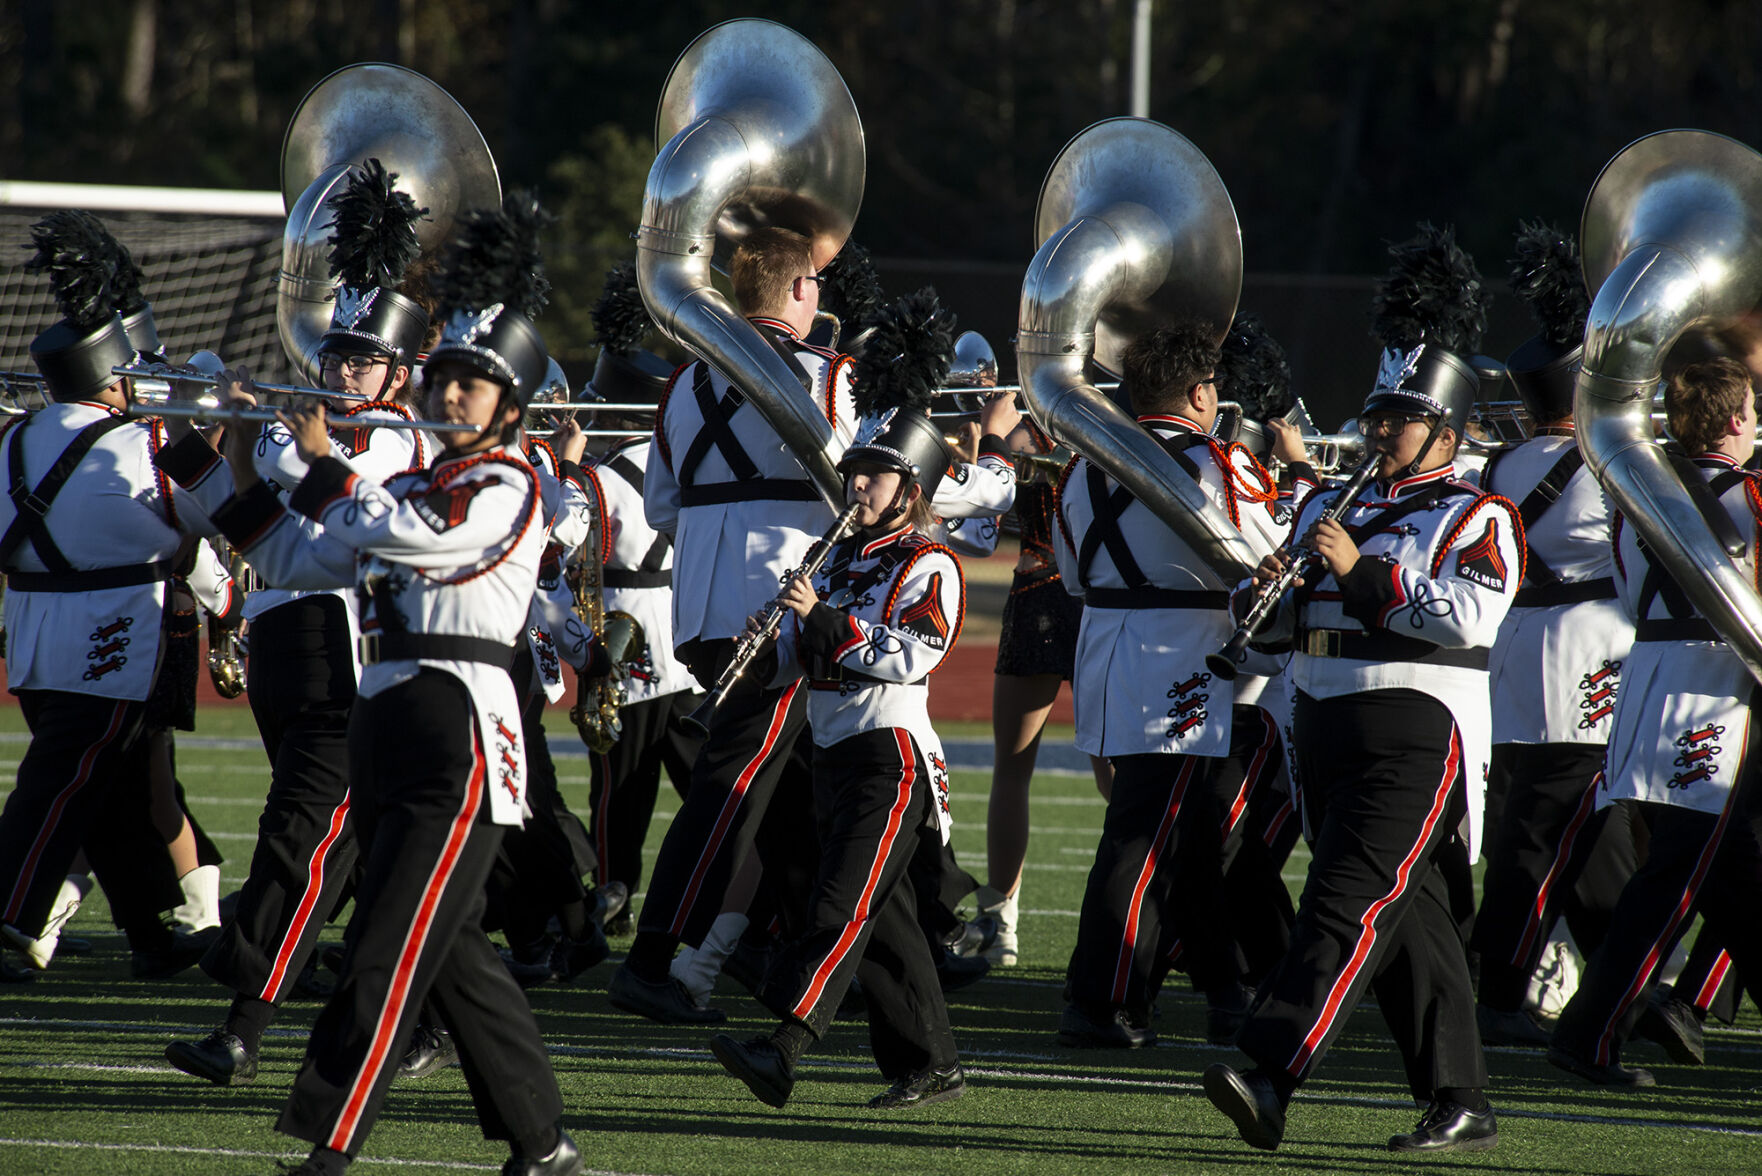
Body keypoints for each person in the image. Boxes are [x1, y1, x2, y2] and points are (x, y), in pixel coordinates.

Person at [193, 195, 582, 1176]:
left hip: (460, 728)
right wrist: (232, 450)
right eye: (445, 378)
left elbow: (405, 536)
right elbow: (291, 561)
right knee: (451, 960)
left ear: (509, 407)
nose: (451, 395)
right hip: (391, 718)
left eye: (473, 385)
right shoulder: (407, 482)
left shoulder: (511, 484)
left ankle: (328, 1149)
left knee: (386, 948)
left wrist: (319, 461)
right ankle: (544, 1144)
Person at [1203, 225, 1517, 1154]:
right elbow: (1270, 627)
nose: (1378, 429)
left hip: (1419, 720)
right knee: (1408, 916)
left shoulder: (1477, 511)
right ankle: (1462, 1098)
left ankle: (1271, 1067)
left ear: (1449, 432)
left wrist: (1366, 574)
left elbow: (1472, 614)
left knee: (1345, 896)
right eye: (1376, 413)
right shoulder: (1324, 506)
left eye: (1401, 417)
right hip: (1321, 716)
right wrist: (1267, 597)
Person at [161, 159, 435, 1086]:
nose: (343, 366)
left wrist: (266, 445)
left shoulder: (404, 438)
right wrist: (194, 432)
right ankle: (424, 1020)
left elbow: (346, 501)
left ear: (398, 369)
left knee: (304, 837)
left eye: (364, 357)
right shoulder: (295, 426)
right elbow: (216, 514)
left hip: (348, 657)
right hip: (283, 645)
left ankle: (243, 1011)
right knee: (365, 845)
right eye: (336, 352)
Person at [613, 226, 860, 1022]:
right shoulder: (827, 374)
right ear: (796, 291)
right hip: (778, 606)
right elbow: (864, 480)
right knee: (732, 787)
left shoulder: (683, 381)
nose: (821, 297)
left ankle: (790, 958)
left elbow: (660, 507)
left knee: (787, 793)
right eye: (816, 283)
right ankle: (652, 958)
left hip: (702, 600)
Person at [708, 372, 967, 1109]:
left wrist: (820, 617)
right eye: (855, 472)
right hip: (833, 750)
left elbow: (914, 652)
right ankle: (932, 1062)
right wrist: (763, 650)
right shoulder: (841, 559)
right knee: (882, 923)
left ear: (908, 488)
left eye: (876, 475)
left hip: (892, 756)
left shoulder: (929, 561)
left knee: (839, 904)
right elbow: (802, 655)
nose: (858, 485)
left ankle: (784, 1045)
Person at [1052, 322, 1286, 1048]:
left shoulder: (1083, 466)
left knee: (1174, 833)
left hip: (1107, 650)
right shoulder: (1221, 461)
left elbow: (1068, 572)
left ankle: (1220, 984)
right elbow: (1271, 559)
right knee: (1144, 837)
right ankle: (1101, 999)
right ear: (1199, 391)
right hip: (1185, 656)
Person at [0, 210, 220, 978]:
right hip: (115, 638)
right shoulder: (149, 442)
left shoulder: (13, 438)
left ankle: (155, 937)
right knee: (60, 787)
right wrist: (215, 430)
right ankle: (10, 912)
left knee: (115, 784)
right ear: (114, 375)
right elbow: (229, 513)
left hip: (30, 638)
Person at [1547, 357, 1762, 1089]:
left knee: (1729, 875)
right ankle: (1588, 1035)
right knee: (1674, 879)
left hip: (1647, 683)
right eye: (1754, 410)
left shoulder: (1638, 497)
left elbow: (1623, 590)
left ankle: (1598, 1028)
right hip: (1715, 693)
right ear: (1736, 420)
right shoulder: (1752, 496)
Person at [1472, 223, 1637, 1047]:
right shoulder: (1602, 466)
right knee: (1574, 826)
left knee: (1533, 824)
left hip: (1519, 657)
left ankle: (1533, 976)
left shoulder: (1502, 466)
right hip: (1587, 653)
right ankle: (1588, 984)